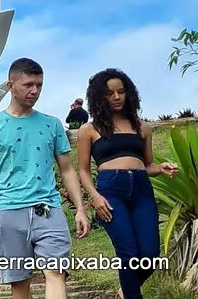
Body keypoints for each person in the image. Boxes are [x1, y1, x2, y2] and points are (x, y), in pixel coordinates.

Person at [0, 57, 89, 298]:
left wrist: (79, 208)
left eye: (39, 85)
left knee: (56, 272)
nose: (34, 90)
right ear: (10, 86)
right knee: (19, 282)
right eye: (28, 85)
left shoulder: (52, 124)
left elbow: (67, 169)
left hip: (48, 207)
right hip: (7, 210)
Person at [75, 68, 177, 299]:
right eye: (110, 93)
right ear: (99, 97)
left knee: (150, 257)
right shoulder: (89, 130)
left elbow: (148, 164)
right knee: (129, 255)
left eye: (121, 91)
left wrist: (161, 168)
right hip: (111, 192)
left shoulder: (143, 127)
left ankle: (126, 291)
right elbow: (82, 169)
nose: (117, 97)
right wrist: (95, 196)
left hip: (141, 190)